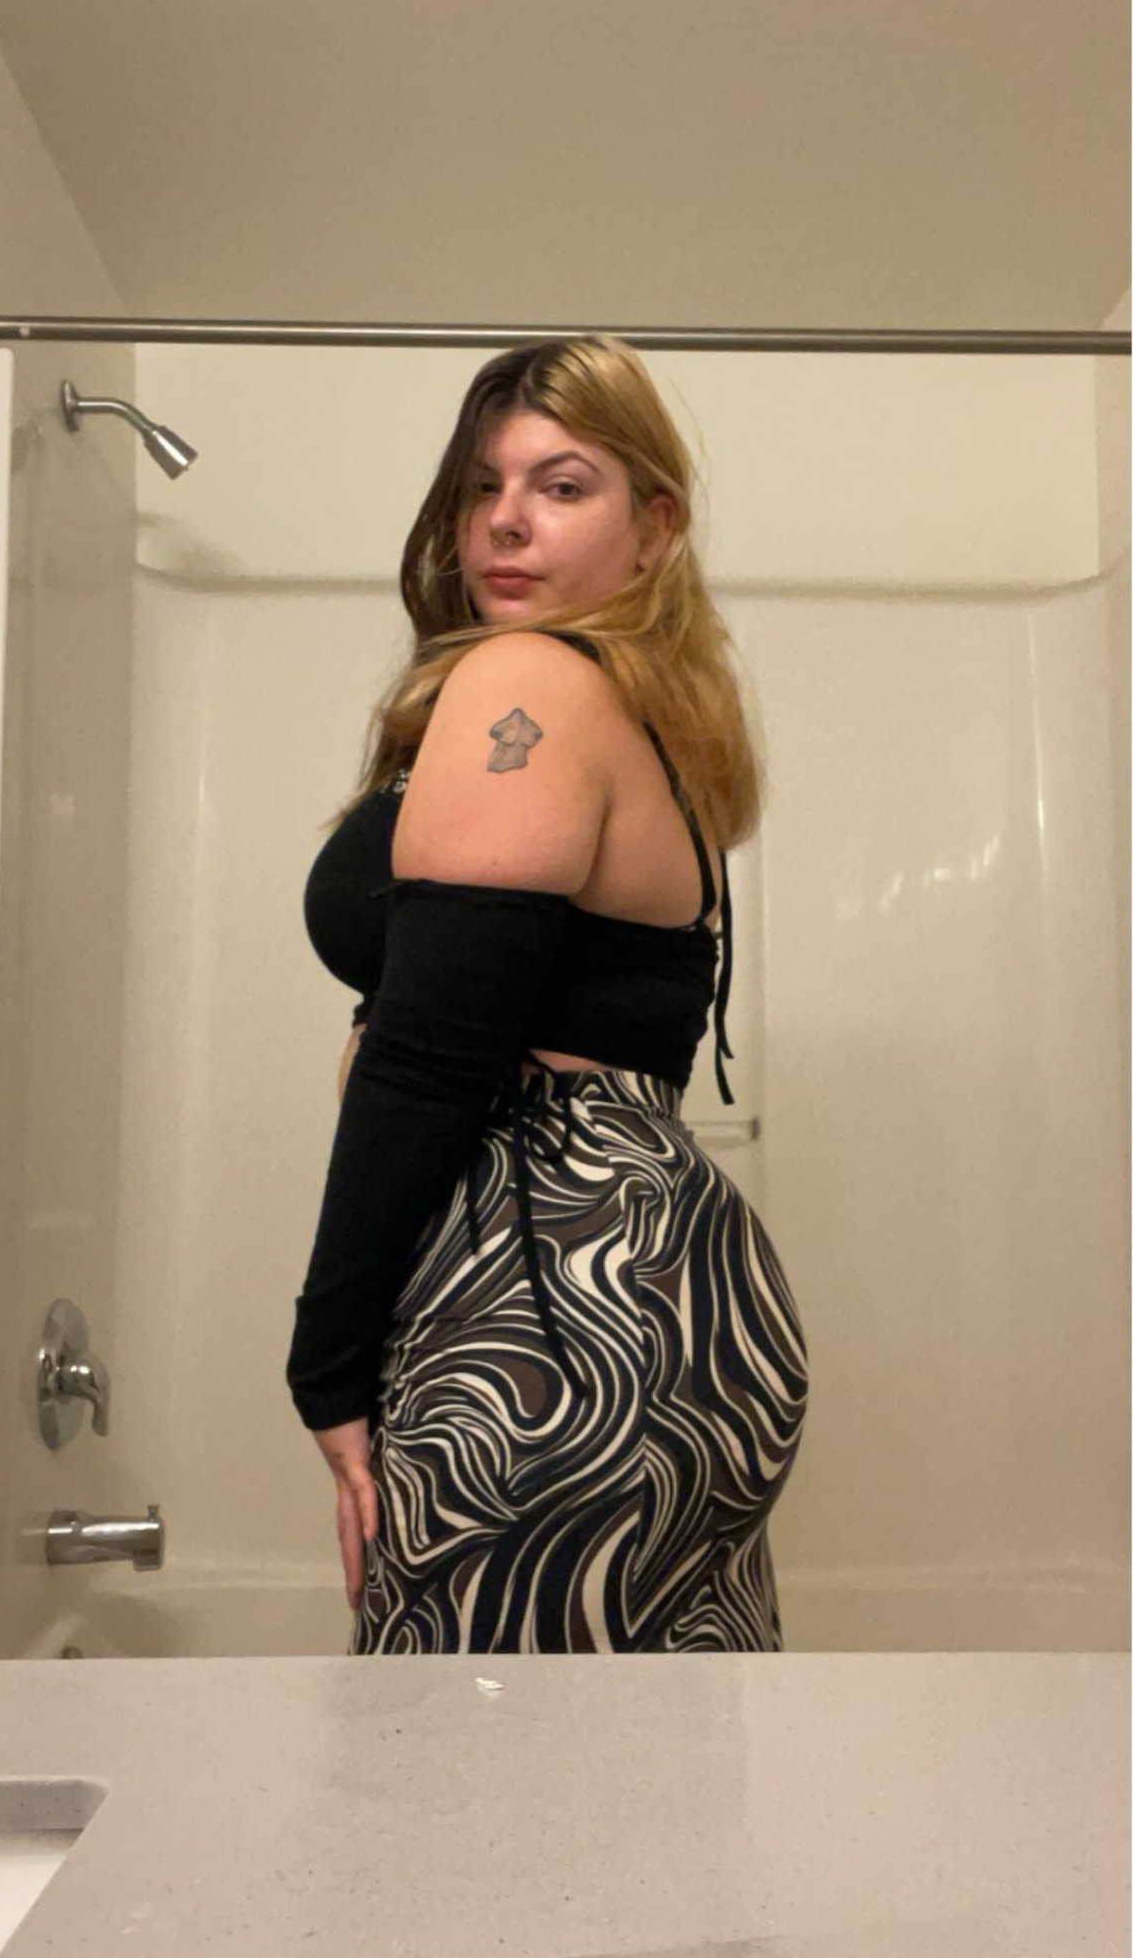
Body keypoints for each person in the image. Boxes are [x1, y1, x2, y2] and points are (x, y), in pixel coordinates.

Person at [287, 333, 809, 1651]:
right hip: (671, 1292)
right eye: (483, 487)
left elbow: (430, 1059)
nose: (505, 520)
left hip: (541, 1312)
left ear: (654, 528)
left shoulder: (524, 682)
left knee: (468, 1751)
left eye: (562, 486)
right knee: (657, 1737)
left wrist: (327, 1362)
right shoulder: (645, 717)